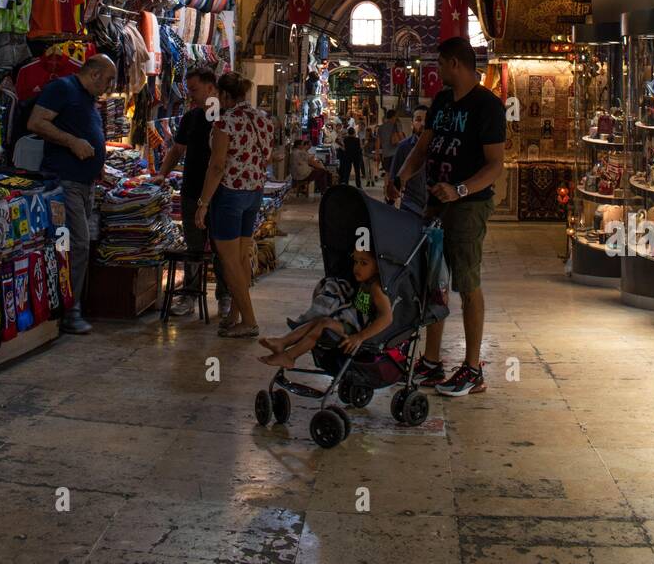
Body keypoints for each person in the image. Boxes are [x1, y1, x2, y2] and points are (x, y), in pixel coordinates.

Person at [387, 36, 505, 396]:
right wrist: (401, 177)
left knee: (466, 283)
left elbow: (495, 165)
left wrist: (461, 190)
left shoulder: (488, 106)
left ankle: (472, 369)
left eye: (439, 64)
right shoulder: (440, 101)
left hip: (468, 206)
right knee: (432, 282)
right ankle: (432, 361)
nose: (436, 72)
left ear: (455, 63)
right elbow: (423, 149)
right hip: (435, 203)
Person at [28, 54, 118, 336]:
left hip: (84, 183)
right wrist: (73, 142)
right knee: (76, 244)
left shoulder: (86, 98)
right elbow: (36, 122)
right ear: (94, 74)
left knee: (80, 244)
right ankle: (70, 310)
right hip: (64, 183)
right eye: (108, 80)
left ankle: (72, 303)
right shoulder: (62, 88)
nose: (109, 87)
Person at [194, 72, 273, 338]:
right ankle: (235, 314)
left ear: (225, 95)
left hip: (230, 195)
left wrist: (203, 203)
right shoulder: (263, 119)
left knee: (229, 262)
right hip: (254, 193)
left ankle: (249, 322)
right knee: (239, 259)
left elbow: (216, 167)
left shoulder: (225, 123)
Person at [154, 67, 230, 320]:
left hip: (221, 194)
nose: (191, 96)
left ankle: (225, 296)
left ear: (211, 88)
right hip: (192, 192)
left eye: (195, 90)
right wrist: (161, 174)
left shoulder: (227, 118)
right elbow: (177, 150)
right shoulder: (191, 118)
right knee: (194, 247)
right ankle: (189, 295)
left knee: (222, 248)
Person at [258, 250, 392, 367]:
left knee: (323, 324)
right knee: (317, 321)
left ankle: (290, 356)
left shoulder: (376, 288)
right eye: (355, 262)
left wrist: (359, 337)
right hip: (349, 321)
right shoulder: (366, 281)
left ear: (377, 267)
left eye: (363, 263)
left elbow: (386, 318)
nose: (357, 268)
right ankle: (283, 342)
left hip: (357, 328)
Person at [387, 106, 428, 214]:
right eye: (418, 120)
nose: (423, 124)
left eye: (427, 120)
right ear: (412, 123)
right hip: (410, 206)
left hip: (433, 209)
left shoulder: (438, 147)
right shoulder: (404, 147)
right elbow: (394, 177)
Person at [375, 108, 405, 176]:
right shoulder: (397, 125)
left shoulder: (381, 128)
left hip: (386, 154)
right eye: (396, 116)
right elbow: (401, 137)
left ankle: (386, 186)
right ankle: (393, 186)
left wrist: (377, 154)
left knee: (387, 173)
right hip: (395, 153)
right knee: (396, 173)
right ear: (393, 116)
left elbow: (378, 141)